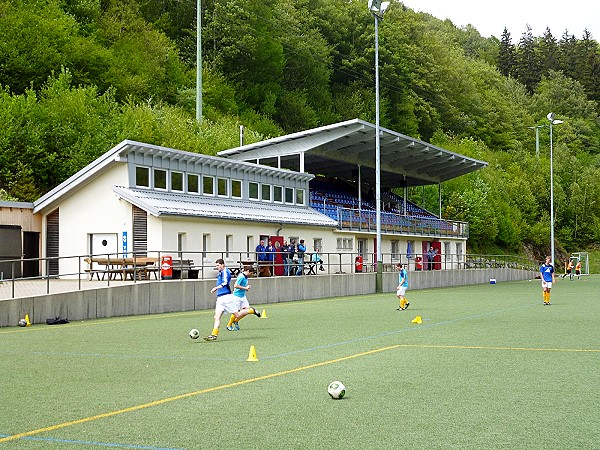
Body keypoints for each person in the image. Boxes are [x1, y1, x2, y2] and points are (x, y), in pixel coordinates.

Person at [204, 259, 241, 341]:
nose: (216, 267)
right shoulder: (221, 272)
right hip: (220, 298)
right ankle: (214, 334)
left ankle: (250, 310)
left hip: (227, 297)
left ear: (222, 265)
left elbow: (225, 283)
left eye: (218, 265)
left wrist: (216, 288)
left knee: (237, 315)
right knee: (217, 316)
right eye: (216, 265)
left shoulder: (225, 272)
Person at [226, 267, 261, 331]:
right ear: (247, 271)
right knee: (236, 312)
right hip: (237, 297)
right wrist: (245, 288)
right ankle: (229, 325)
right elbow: (236, 285)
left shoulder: (245, 277)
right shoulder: (241, 276)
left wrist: (246, 287)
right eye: (250, 273)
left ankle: (236, 321)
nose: (251, 274)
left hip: (243, 297)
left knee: (246, 311)